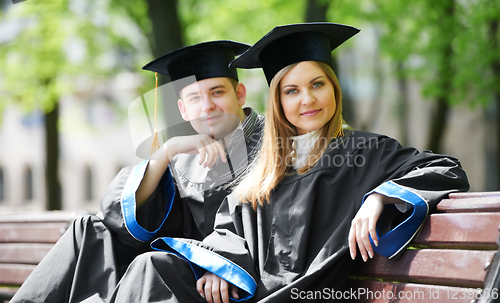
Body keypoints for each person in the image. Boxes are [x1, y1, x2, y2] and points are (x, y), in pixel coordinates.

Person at [106, 23, 469, 303]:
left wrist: (378, 198)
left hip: (305, 293)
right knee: (150, 268)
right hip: (248, 295)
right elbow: (229, 226)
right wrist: (220, 267)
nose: (308, 100)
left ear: (334, 89)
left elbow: (445, 168)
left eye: (318, 84)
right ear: (277, 100)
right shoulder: (266, 163)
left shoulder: (363, 151)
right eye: (291, 91)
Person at [10, 41, 265, 303]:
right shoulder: (184, 157)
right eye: (195, 98)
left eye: (217, 92)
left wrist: (220, 264)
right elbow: (118, 217)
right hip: (178, 275)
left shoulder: (271, 144)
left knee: (150, 265)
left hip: (226, 283)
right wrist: (166, 152)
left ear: (240, 94)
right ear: (183, 110)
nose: (207, 106)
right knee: (86, 229)